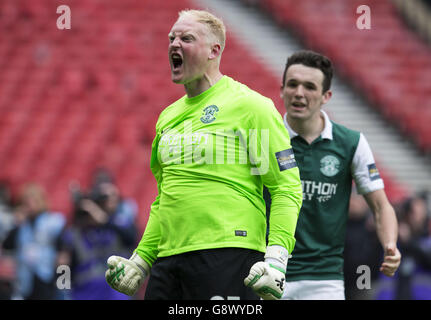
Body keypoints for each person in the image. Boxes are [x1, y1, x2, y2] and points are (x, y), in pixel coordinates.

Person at [105, 9, 303, 300]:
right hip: (169, 259)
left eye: (186, 38)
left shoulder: (250, 107)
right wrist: (141, 260)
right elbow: (166, 198)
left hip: (229, 254)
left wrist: (276, 259)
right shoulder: (167, 118)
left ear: (214, 50)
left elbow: (285, 187)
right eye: (171, 37)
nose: (174, 44)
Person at [278, 50, 401, 300]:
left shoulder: (351, 143)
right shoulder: (266, 138)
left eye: (310, 87)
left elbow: (380, 206)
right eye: (292, 84)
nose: (299, 93)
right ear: (282, 90)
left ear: (326, 96)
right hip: (269, 272)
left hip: (324, 280)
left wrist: (390, 245)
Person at [2, 183, 65, 300]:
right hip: (25, 278)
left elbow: (62, 247)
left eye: (30, 202)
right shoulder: (22, 225)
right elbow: (7, 245)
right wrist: (16, 224)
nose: (28, 207)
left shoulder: (52, 221)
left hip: (46, 275)